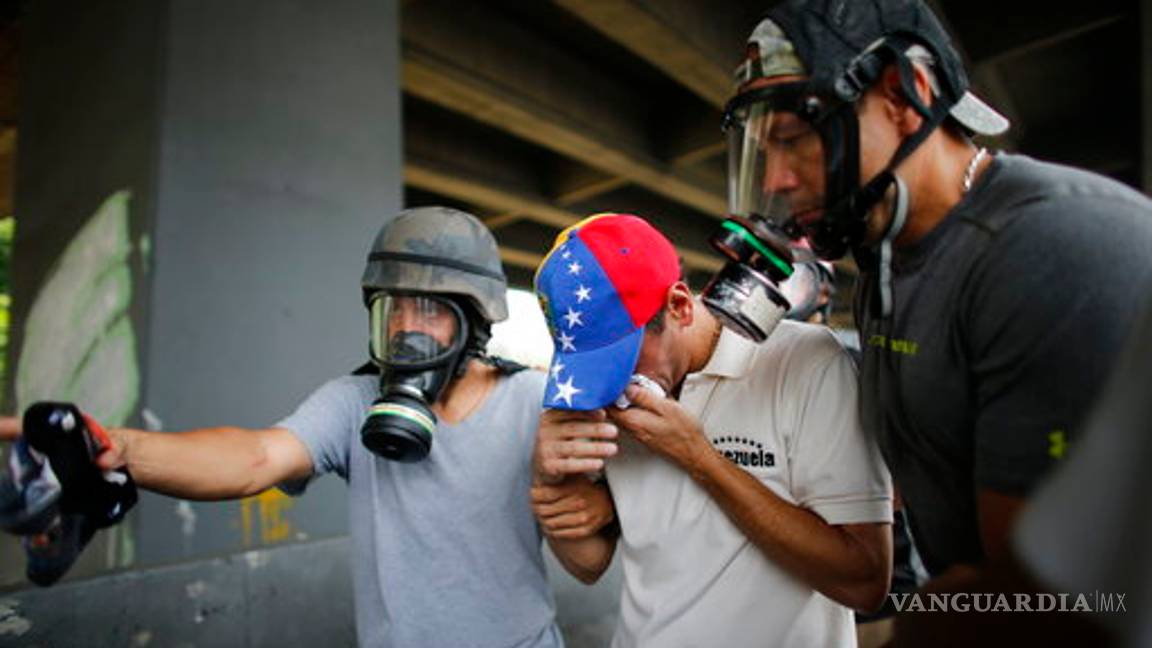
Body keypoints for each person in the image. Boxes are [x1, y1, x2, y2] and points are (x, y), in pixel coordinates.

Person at [4, 207, 613, 647]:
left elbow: (588, 566)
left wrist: (571, 497)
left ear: (475, 320)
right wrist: (118, 447)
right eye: (392, 308)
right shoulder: (354, 403)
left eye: (428, 310)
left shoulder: (537, 403)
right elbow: (252, 459)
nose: (406, 327)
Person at [722, 0, 1152, 589]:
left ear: (904, 94)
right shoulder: (885, 258)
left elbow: (1044, 602)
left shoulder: (1055, 246)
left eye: (795, 135)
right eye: (762, 149)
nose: (774, 180)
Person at [530, 213, 893, 647]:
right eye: (590, 367)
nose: (608, 386)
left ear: (679, 305)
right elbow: (588, 566)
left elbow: (865, 582)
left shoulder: (805, 362)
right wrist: (552, 481)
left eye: (620, 360)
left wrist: (698, 458)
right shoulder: (600, 397)